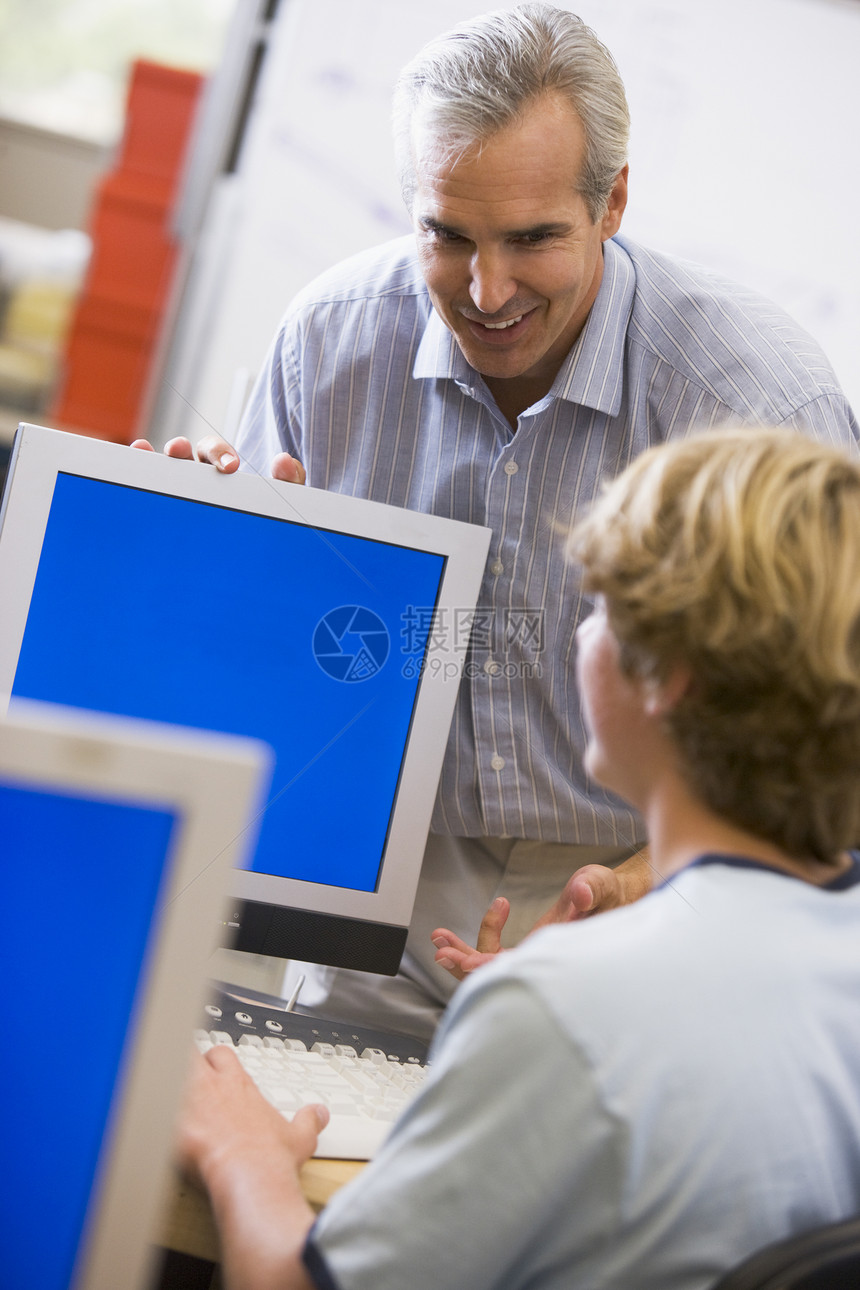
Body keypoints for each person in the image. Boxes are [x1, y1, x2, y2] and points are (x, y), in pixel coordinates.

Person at [136, 3, 859, 1040]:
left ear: (610, 202)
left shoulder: (756, 403)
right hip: (390, 870)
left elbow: (825, 764)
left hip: (653, 879)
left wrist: (636, 891)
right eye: (446, 236)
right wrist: (211, 553)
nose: (484, 291)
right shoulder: (328, 343)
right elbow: (254, 671)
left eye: (531, 240)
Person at [178, 427, 860, 1290]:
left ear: (668, 677)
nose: (579, 634)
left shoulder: (568, 1007)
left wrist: (242, 1150)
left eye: (603, 606)